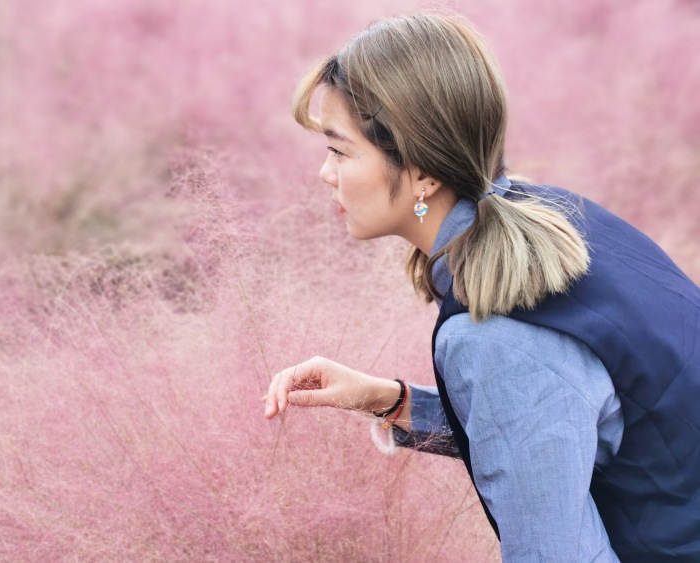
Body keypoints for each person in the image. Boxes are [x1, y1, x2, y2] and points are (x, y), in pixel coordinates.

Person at [263, 13, 700, 562]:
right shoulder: (555, 215)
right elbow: (554, 423)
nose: (326, 173)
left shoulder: (495, 337)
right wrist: (391, 402)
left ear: (422, 171)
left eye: (339, 150)